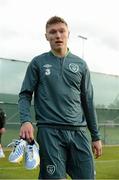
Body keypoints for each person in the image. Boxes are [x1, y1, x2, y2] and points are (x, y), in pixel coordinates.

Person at [18, 16, 102, 179]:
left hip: (79, 132)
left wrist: (96, 136)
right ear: (46, 36)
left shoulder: (81, 65)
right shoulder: (38, 63)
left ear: (68, 34)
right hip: (50, 132)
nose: (57, 35)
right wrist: (26, 120)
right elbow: (25, 95)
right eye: (52, 32)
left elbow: (88, 102)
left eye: (61, 31)